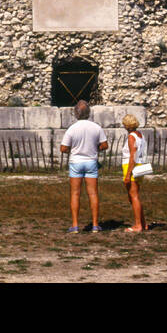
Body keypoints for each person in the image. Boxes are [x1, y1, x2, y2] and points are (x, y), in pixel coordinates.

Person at [58, 99, 108, 233]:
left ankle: (75, 225)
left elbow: (63, 148)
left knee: (75, 193)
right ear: (89, 113)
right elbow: (104, 145)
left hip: (76, 161)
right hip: (91, 160)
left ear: (76, 113)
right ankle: (95, 225)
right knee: (93, 193)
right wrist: (94, 147)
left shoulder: (72, 129)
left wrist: (73, 149)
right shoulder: (96, 127)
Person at [121, 113, 150, 233]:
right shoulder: (140, 135)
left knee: (133, 196)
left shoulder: (131, 137)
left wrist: (128, 174)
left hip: (132, 166)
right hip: (141, 165)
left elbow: (133, 153)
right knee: (134, 196)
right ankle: (142, 223)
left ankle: (138, 225)